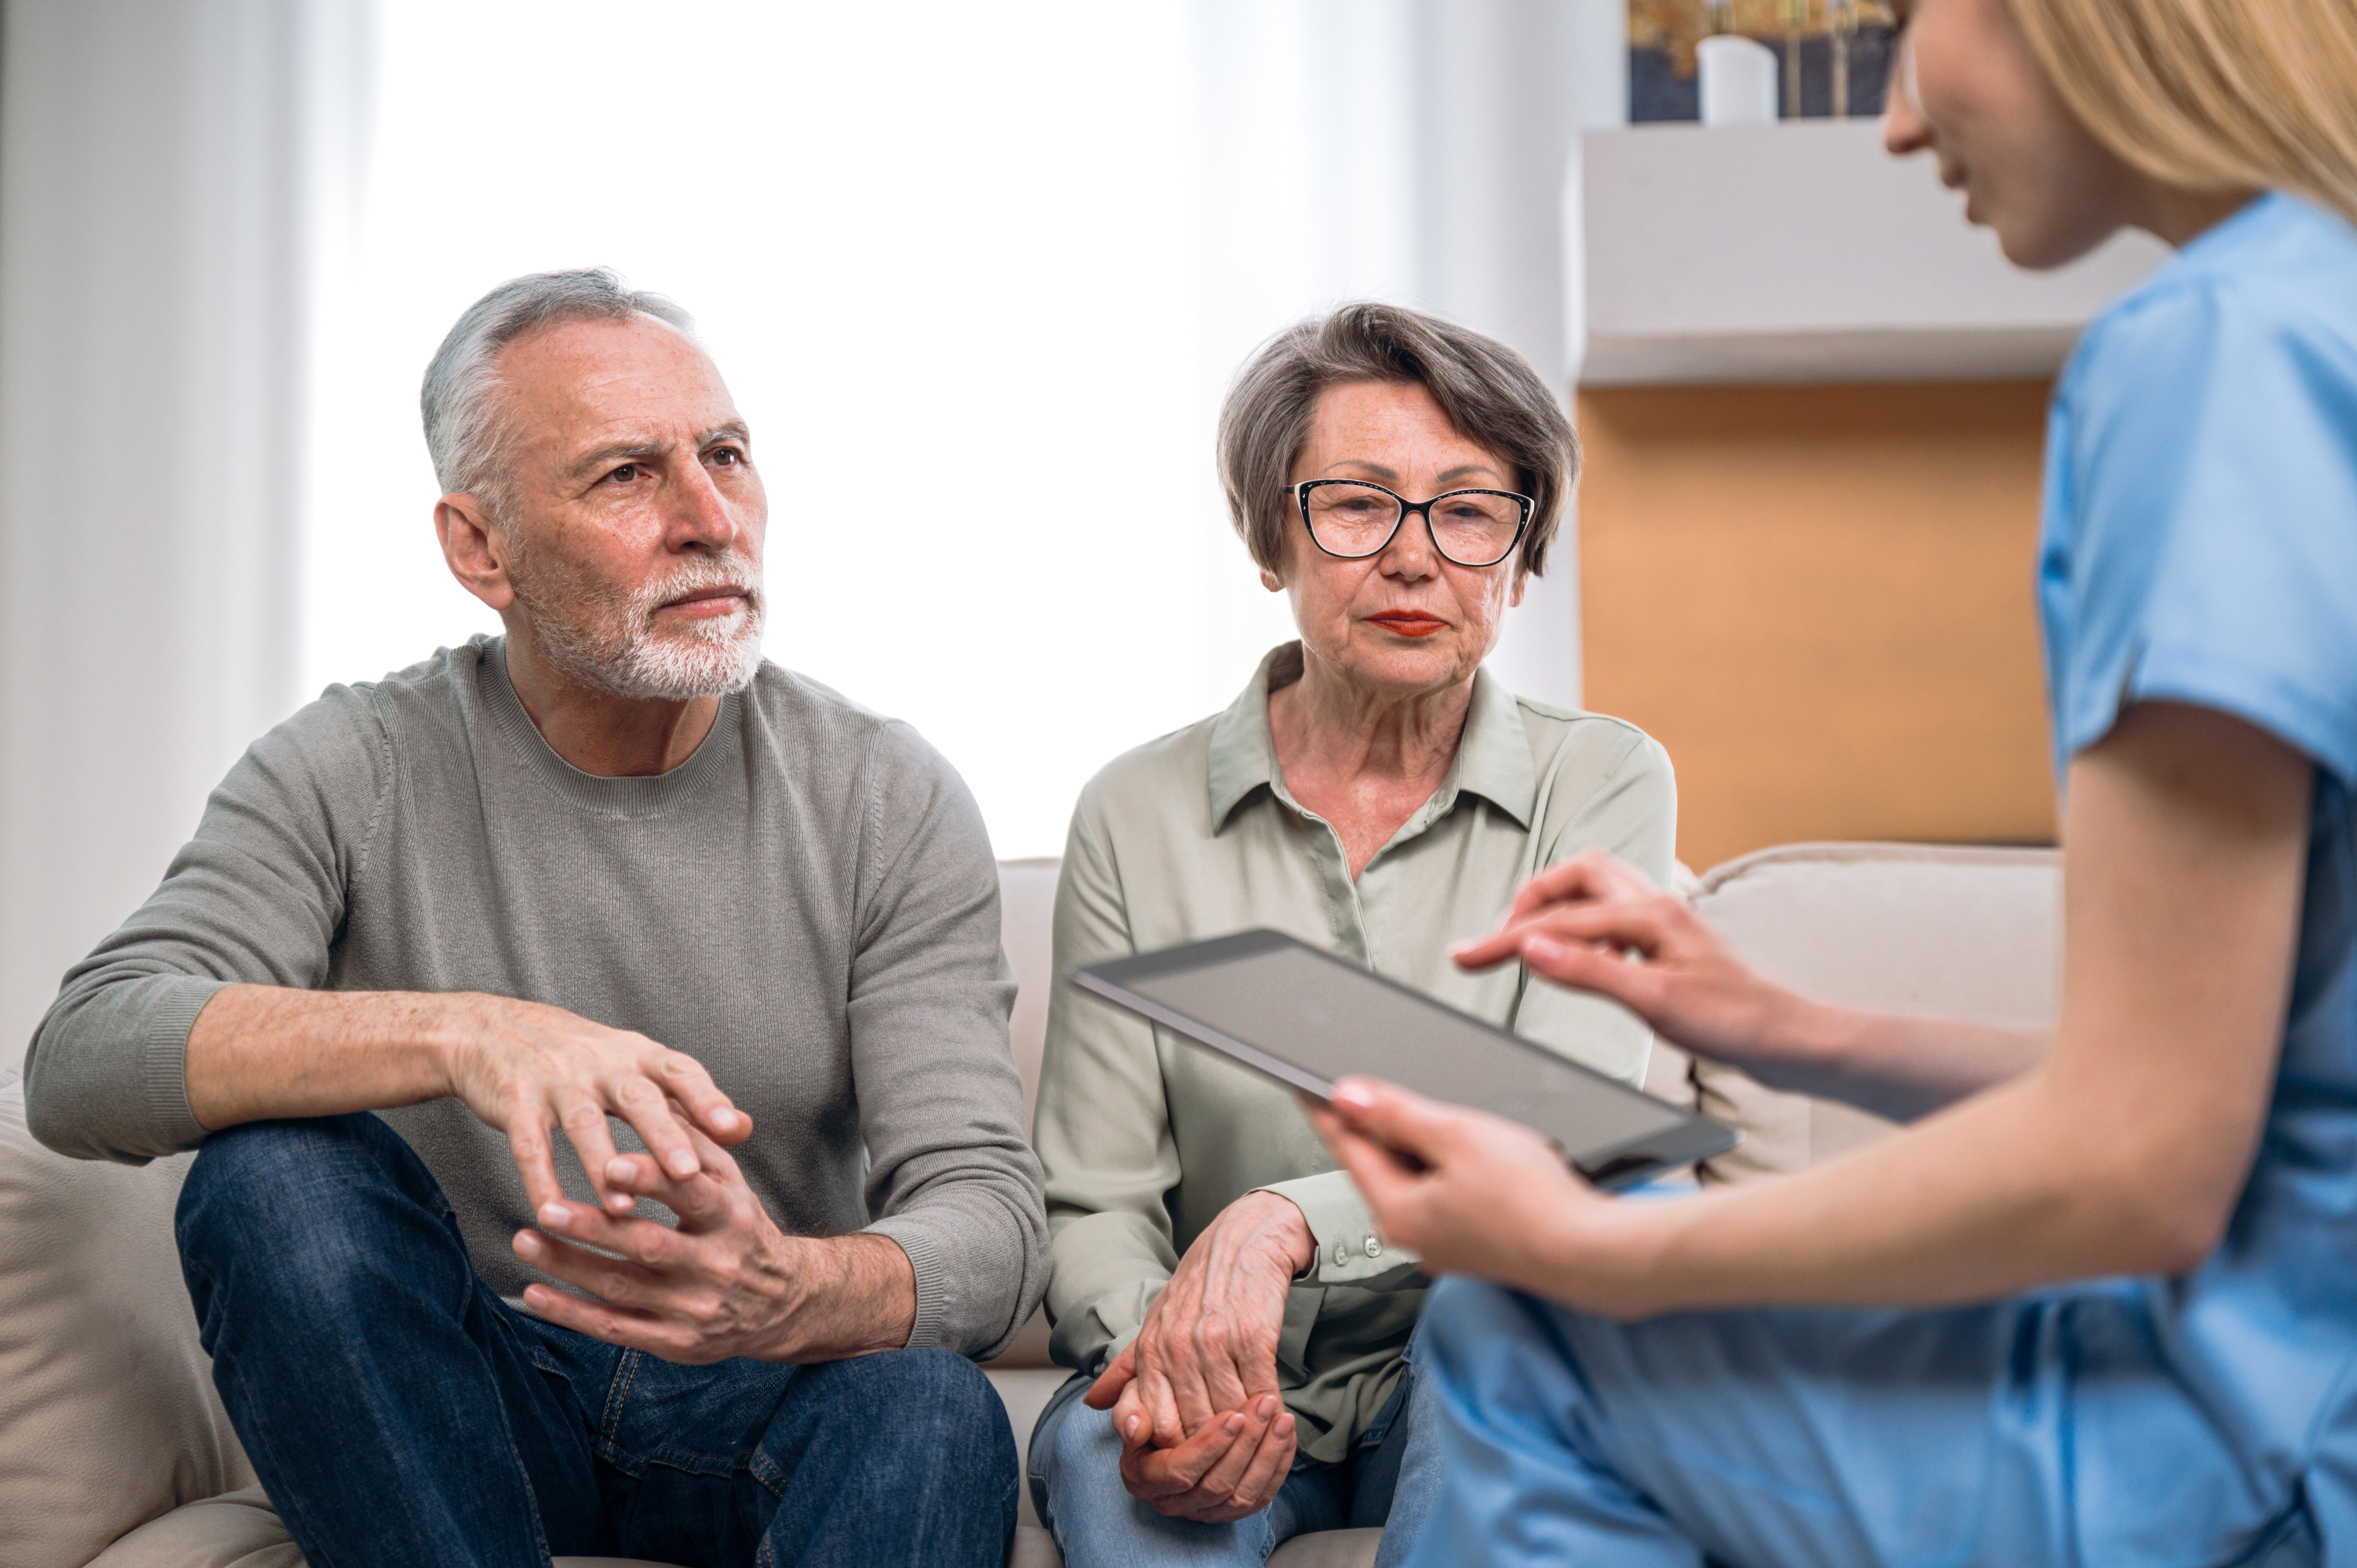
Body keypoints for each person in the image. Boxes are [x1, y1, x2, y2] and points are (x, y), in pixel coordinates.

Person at [1309, 0, 2357, 1563]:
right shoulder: (2320, 313)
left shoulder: (2210, 356)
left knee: (1515, 1330)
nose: (1895, 119)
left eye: (1915, 18)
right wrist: (1791, 1032)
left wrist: (1588, 1244)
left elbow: (2142, 1163)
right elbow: (2246, 1102)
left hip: (2260, 1447)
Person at [22, 269, 1046, 1567]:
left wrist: (791, 1290)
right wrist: (469, 1036)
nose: (711, 517)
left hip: (757, 1381)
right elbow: (86, 1053)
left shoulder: (883, 791)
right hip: (465, 1391)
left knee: (932, 1398)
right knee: (270, 1180)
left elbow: (992, 1219)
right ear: (479, 546)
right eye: (627, 475)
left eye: (726, 455)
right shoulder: (354, 762)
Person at [1029, 302, 1676, 1564]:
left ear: (1522, 560)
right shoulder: (1134, 812)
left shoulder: (1599, 782)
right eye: (1359, 504)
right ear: (1274, 538)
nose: (1416, 558)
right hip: (1222, 1368)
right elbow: (1096, 1199)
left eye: (1472, 509)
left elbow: (1567, 1113)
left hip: (1470, 1347)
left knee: (1513, 1336)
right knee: (1113, 1458)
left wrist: (1289, 1218)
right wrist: (1162, 1365)